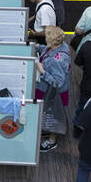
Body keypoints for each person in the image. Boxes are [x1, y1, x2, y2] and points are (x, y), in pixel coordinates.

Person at [35, 25, 71, 153]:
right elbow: (48, 50)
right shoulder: (62, 46)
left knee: (55, 115)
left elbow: (58, 82)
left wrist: (42, 71)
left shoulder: (58, 60)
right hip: (49, 90)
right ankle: (48, 130)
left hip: (53, 93)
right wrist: (39, 47)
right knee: (48, 113)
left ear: (51, 41)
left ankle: (52, 140)